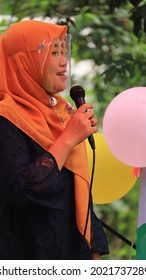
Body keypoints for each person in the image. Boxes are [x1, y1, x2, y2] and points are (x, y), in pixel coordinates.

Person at [0, 20, 109, 260]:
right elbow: (21, 190)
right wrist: (68, 138)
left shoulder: (61, 113)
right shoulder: (6, 117)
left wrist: (94, 254)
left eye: (63, 52)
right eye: (53, 52)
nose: (63, 62)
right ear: (24, 61)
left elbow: (78, 193)